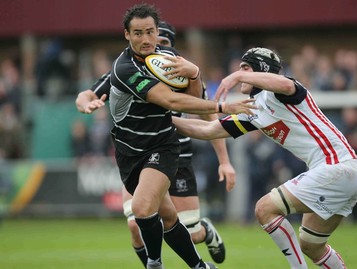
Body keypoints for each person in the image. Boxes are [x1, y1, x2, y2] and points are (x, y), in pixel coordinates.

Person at [79, 4, 254, 269]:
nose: (146, 39)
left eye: (150, 32)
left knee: (140, 209)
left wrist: (194, 73)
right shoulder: (123, 69)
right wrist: (84, 102)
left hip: (164, 147)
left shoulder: (169, 59)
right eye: (138, 33)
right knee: (169, 218)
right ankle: (200, 266)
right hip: (128, 153)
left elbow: (194, 99)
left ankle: (154, 263)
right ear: (127, 35)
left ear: (158, 31)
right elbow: (171, 99)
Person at [173, 47, 357, 268]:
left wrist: (238, 76)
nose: (239, 72)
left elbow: (283, 83)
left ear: (261, 69)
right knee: (311, 244)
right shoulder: (255, 110)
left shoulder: (279, 91)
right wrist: (166, 120)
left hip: (336, 167)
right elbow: (207, 130)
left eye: (245, 67)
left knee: (264, 209)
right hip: (343, 172)